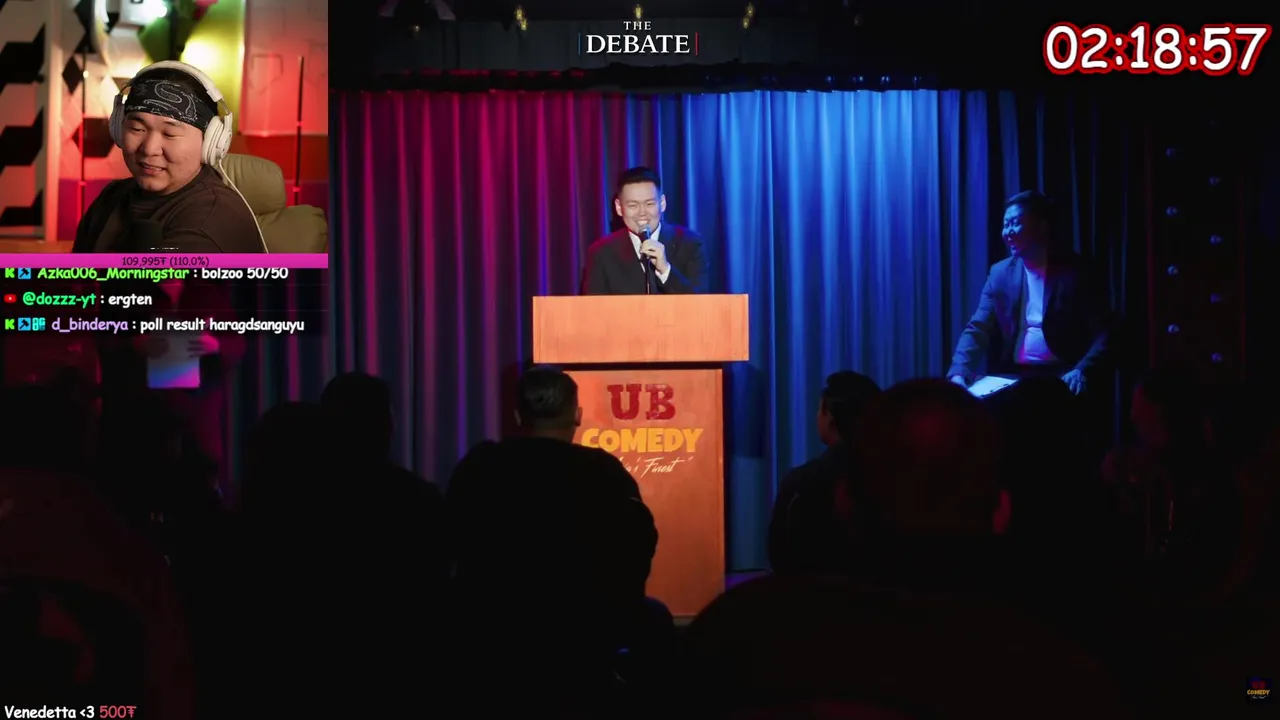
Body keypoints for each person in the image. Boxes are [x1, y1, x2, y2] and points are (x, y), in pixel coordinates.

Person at [72, 61, 266, 253]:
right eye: (137, 128)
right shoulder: (113, 195)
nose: (149, 149)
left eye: (170, 134)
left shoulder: (212, 222)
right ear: (118, 128)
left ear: (211, 141)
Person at [948, 190, 1110, 396]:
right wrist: (959, 373)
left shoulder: (1076, 270)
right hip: (1014, 376)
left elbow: (1105, 331)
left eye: (1015, 223)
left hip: (1062, 375)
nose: (1008, 232)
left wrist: (1082, 370)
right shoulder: (1000, 273)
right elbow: (978, 327)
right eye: (1005, 225)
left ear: (1041, 226)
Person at [767, 370, 881, 575]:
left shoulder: (801, 483)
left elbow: (781, 555)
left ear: (829, 420)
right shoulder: (901, 480)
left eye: (819, 409)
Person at [581, 166, 709, 295]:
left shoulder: (690, 244)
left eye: (649, 204)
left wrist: (665, 270)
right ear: (619, 207)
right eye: (633, 205)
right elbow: (592, 304)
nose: (642, 212)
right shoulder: (602, 253)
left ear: (662, 203)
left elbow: (701, 301)